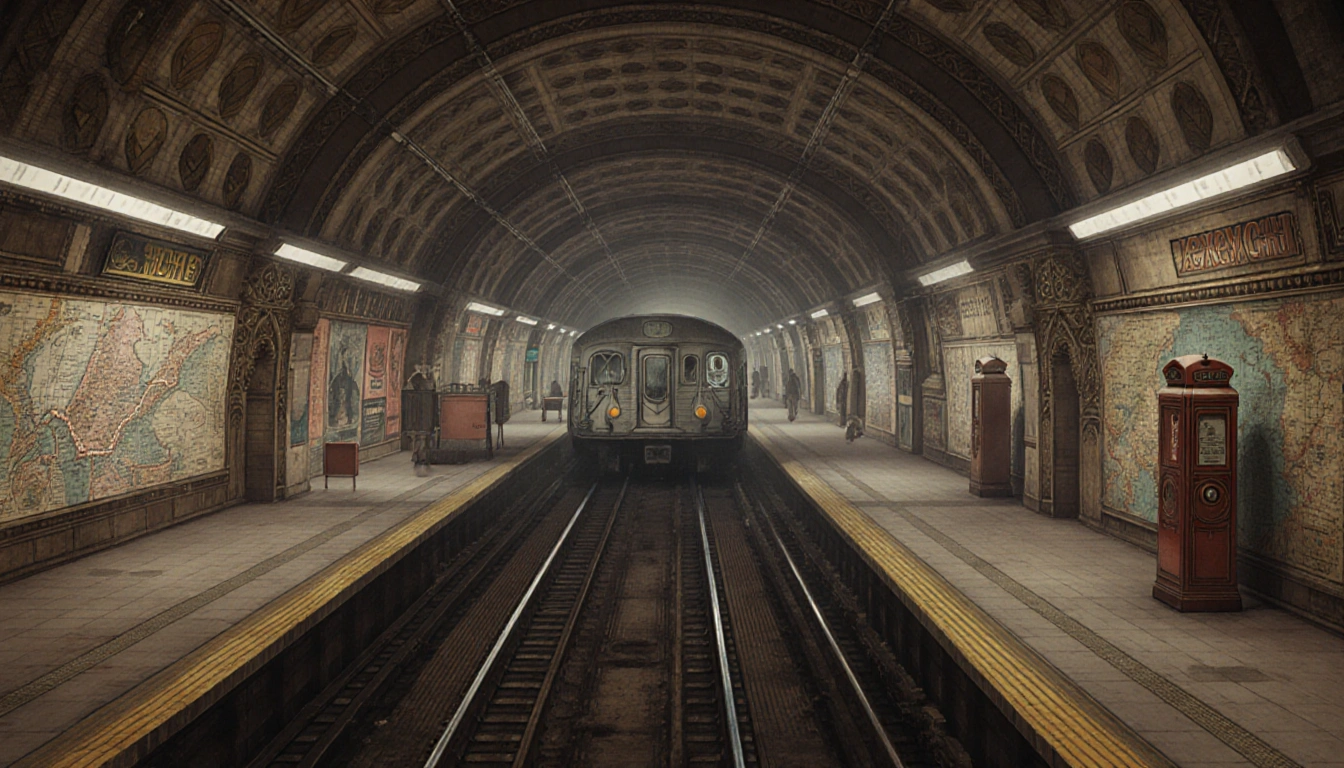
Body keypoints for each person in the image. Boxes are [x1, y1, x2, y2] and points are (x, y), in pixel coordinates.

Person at [490, 379, 510, 446]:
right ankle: (500, 440)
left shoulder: (499, 387)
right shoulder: (504, 388)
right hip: (500, 411)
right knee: (500, 425)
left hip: (499, 411)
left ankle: (499, 440)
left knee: (500, 424)